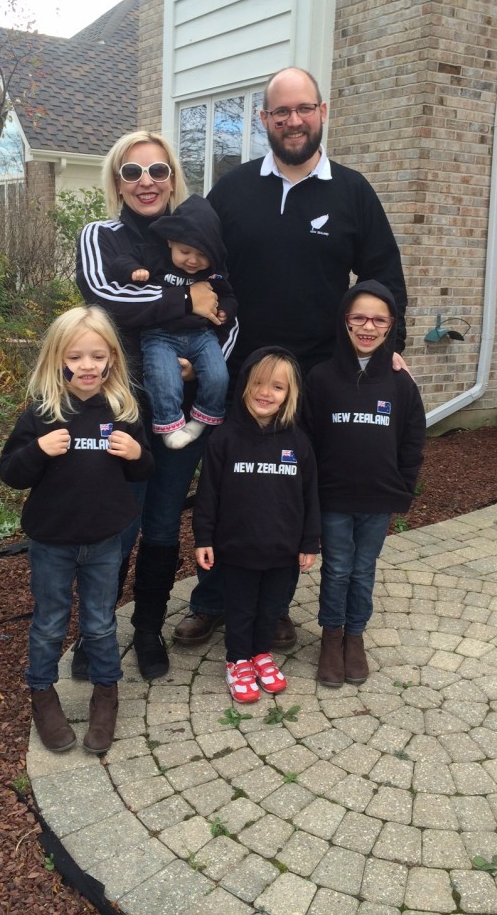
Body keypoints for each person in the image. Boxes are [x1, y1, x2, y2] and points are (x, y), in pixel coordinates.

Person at [174, 65, 409, 649]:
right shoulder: (233, 188)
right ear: (265, 121)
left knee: (288, 487)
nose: (293, 121)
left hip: (313, 377)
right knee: (228, 484)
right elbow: (190, 258)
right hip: (235, 369)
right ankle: (212, 598)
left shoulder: (352, 191)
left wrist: (387, 350)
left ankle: (274, 604)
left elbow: (383, 275)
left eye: (304, 109)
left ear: (322, 112)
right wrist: (184, 324)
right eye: (281, 112)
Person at [76, 132, 226, 681]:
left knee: (163, 524)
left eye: (158, 171)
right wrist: (186, 298)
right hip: (120, 412)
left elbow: (225, 316)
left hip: (180, 418)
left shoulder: (194, 238)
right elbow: (104, 299)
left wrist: (201, 362)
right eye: (133, 172)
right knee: (116, 526)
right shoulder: (101, 236)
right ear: (117, 181)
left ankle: (146, 629)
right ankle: (95, 634)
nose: (146, 182)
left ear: (172, 180)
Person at [0, 306, 154, 753]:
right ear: (58, 359)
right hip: (51, 541)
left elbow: (145, 470)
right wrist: (39, 450)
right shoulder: (42, 413)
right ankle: (42, 693)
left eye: (97, 356)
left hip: (105, 540)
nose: (88, 366)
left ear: (111, 360)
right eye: (76, 356)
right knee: (49, 622)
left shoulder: (122, 411)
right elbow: (11, 472)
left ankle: (106, 693)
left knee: (100, 623)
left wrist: (134, 454)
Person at [303, 281, 425, 687]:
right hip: (334, 497)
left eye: (378, 319)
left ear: (391, 325)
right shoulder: (321, 378)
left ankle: (355, 637)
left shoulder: (400, 382)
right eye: (359, 317)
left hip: (378, 496)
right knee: (337, 569)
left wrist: (403, 487)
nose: (368, 326)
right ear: (345, 321)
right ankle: (331, 636)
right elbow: (307, 439)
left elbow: (412, 440)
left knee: (363, 568)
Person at [193, 348, 320, 703]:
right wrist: (203, 537)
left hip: (282, 549)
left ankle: (261, 653)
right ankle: (237, 661)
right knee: (241, 608)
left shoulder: (298, 443)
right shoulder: (224, 439)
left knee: (270, 608)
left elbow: (310, 496)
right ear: (244, 385)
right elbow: (208, 495)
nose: (266, 393)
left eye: (277, 387)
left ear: (289, 395)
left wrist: (310, 542)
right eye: (259, 383)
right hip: (237, 549)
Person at [111, 193, 237, 449]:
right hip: (160, 334)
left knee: (218, 376)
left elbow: (228, 294)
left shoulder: (212, 273)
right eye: (185, 251)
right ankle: (170, 424)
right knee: (163, 378)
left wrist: (225, 310)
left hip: (202, 336)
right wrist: (132, 270)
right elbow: (120, 261)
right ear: (170, 241)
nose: (193, 260)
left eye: (202, 255)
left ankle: (202, 416)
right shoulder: (153, 255)